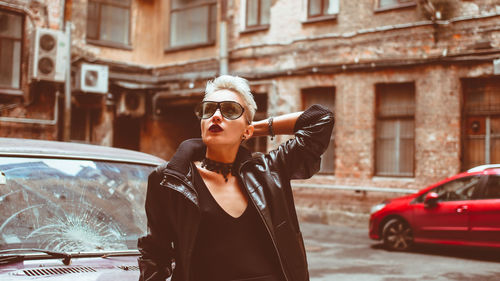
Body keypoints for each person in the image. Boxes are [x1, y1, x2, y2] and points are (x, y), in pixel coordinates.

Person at [137, 75, 335, 281]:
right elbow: (155, 255)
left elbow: (320, 118)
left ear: (248, 130)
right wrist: (237, 126)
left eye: (230, 110)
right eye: (209, 110)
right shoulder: (170, 180)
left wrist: (251, 129)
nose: (216, 116)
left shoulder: (270, 170)